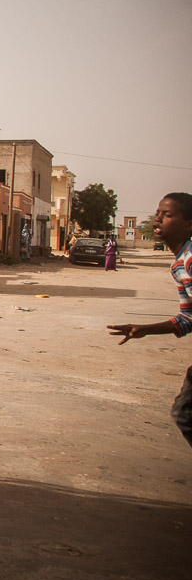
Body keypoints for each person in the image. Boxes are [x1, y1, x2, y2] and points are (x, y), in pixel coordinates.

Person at [107, 192, 192, 448]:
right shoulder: (179, 263)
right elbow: (188, 318)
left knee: (185, 414)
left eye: (168, 215)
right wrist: (145, 329)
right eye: (158, 213)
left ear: (189, 224)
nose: (158, 219)